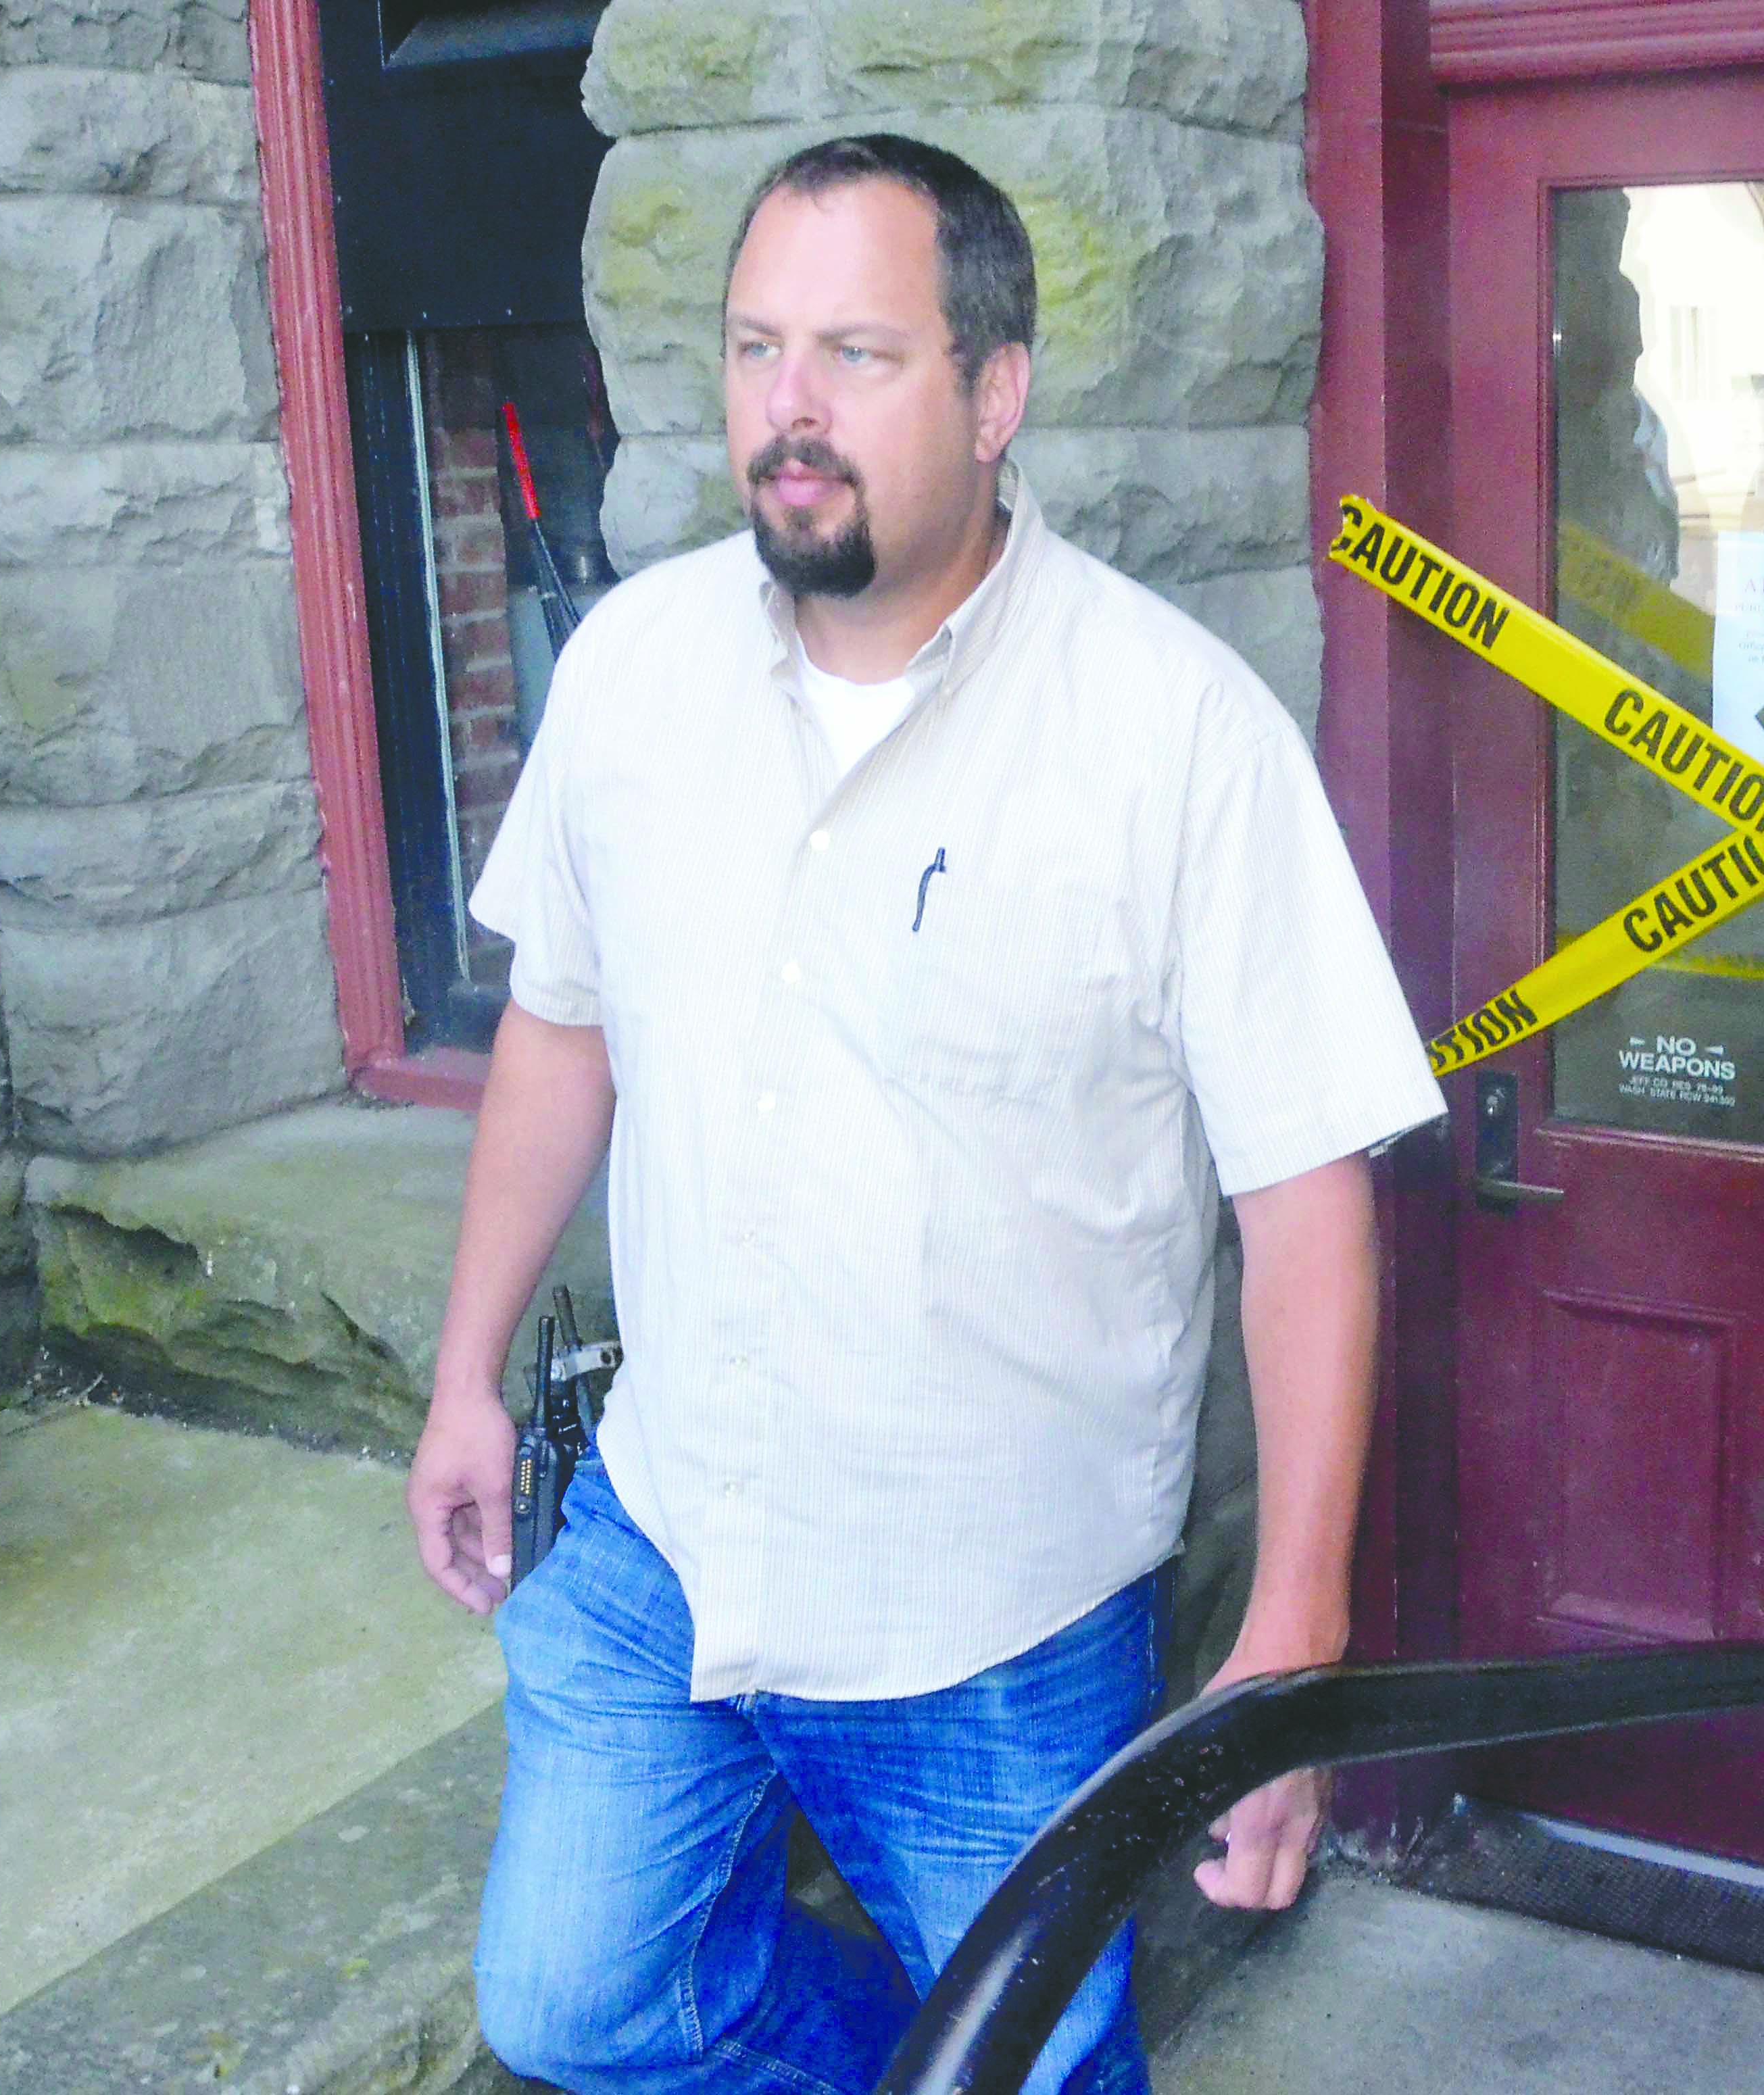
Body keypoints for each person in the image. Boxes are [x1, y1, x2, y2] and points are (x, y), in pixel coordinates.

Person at [404, 132, 1444, 2095]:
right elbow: (561, 1027)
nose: (786, 408)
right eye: (753, 348)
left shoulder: (1174, 730)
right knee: (576, 2004)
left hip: (997, 1612)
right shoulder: (631, 669)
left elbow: (1309, 1201)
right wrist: (468, 1371)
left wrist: (1287, 1633)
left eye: (857, 353)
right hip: (671, 1530)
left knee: (1036, 2068)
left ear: (994, 390)